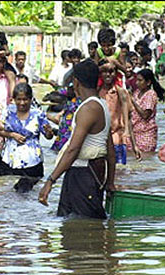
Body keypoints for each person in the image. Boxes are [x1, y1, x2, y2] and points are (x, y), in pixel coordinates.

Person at [38, 58, 116, 219]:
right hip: (92, 172)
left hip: (84, 173)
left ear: (76, 82)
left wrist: (51, 180)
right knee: (77, 225)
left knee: (82, 223)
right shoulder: (101, 105)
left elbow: (73, 149)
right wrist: (110, 181)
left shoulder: (88, 108)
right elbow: (110, 149)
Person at [0, 83, 54, 189]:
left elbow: (48, 137)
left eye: (25, 99)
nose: (22, 103)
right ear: (14, 99)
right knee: (8, 193)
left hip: (33, 161)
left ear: (31, 99)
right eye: (19, 99)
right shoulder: (8, 112)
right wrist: (12, 135)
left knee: (32, 193)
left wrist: (49, 132)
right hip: (10, 160)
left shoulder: (38, 114)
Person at [98, 61, 141, 164]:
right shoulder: (97, 92)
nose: (108, 74)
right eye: (104, 71)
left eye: (111, 71)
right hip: (101, 140)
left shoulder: (121, 92)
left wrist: (134, 145)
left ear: (115, 73)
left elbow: (129, 119)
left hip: (117, 138)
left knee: (119, 173)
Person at [126, 69, 165, 155]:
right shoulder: (137, 93)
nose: (137, 83)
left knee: (145, 161)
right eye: (137, 80)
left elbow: (145, 115)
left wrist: (133, 101)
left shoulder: (151, 94)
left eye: (140, 80)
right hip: (134, 133)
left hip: (146, 134)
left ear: (148, 82)